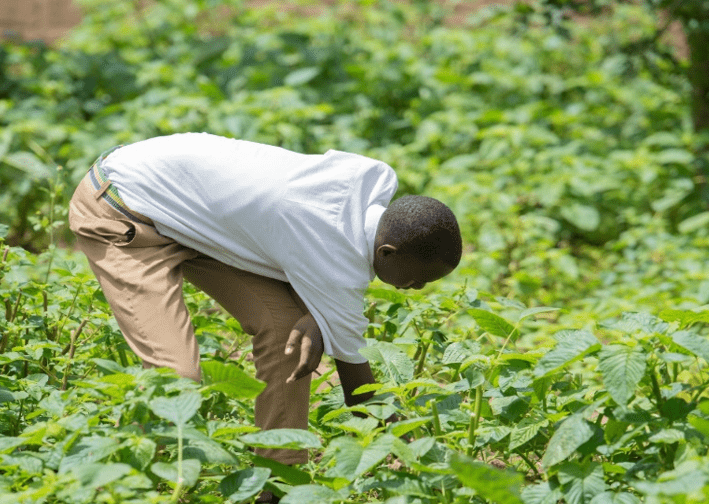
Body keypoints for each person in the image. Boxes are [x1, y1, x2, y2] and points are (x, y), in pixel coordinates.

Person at [68, 131, 461, 476]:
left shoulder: (361, 191)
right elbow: (359, 394)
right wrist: (405, 453)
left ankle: (276, 484)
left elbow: (312, 266)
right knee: (176, 379)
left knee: (287, 329)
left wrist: (318, 318)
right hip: (122, 205)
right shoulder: (333, 259)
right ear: (388, 253)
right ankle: (95, 497)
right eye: (417, 279)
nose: (417, 288)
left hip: (195, 211)